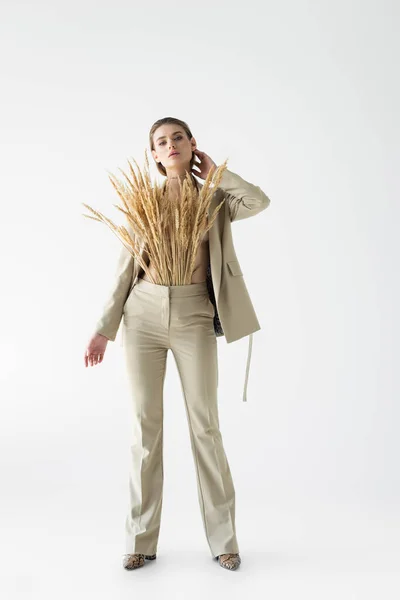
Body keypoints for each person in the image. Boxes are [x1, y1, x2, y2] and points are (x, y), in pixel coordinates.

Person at [84, 117, 271, 571]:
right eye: (161, 142)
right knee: (144, 430)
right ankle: (140, 540)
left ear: (192, 145)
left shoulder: (215, 199)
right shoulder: (142, 200)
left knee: (205, 425)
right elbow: (125, 270)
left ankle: (224, 540)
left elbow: (259, 201)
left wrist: (218, 174)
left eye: (178, 138)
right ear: (153, 154)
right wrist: (104, 328)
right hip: (142, 315)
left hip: (193, 314)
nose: (170, 146)